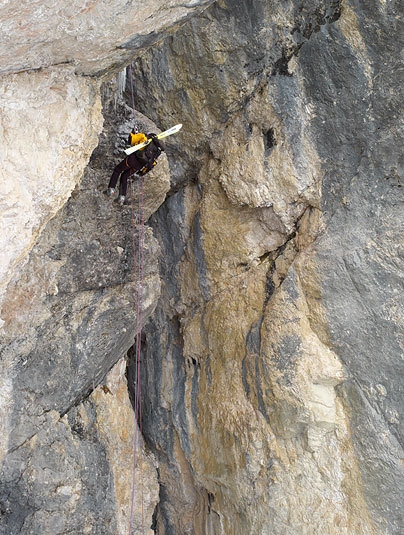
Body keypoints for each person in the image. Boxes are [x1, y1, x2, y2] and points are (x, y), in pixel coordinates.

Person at [106, 132, 165, 205]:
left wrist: (133, 132)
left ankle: (111, 189)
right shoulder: (156, 153)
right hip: (138, 167)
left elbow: (131, 139)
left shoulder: (144, 137)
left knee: (117, 170)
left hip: (132, 159)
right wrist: (141, 173)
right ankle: (121, 197)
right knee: (125, 176)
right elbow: (151, 164)